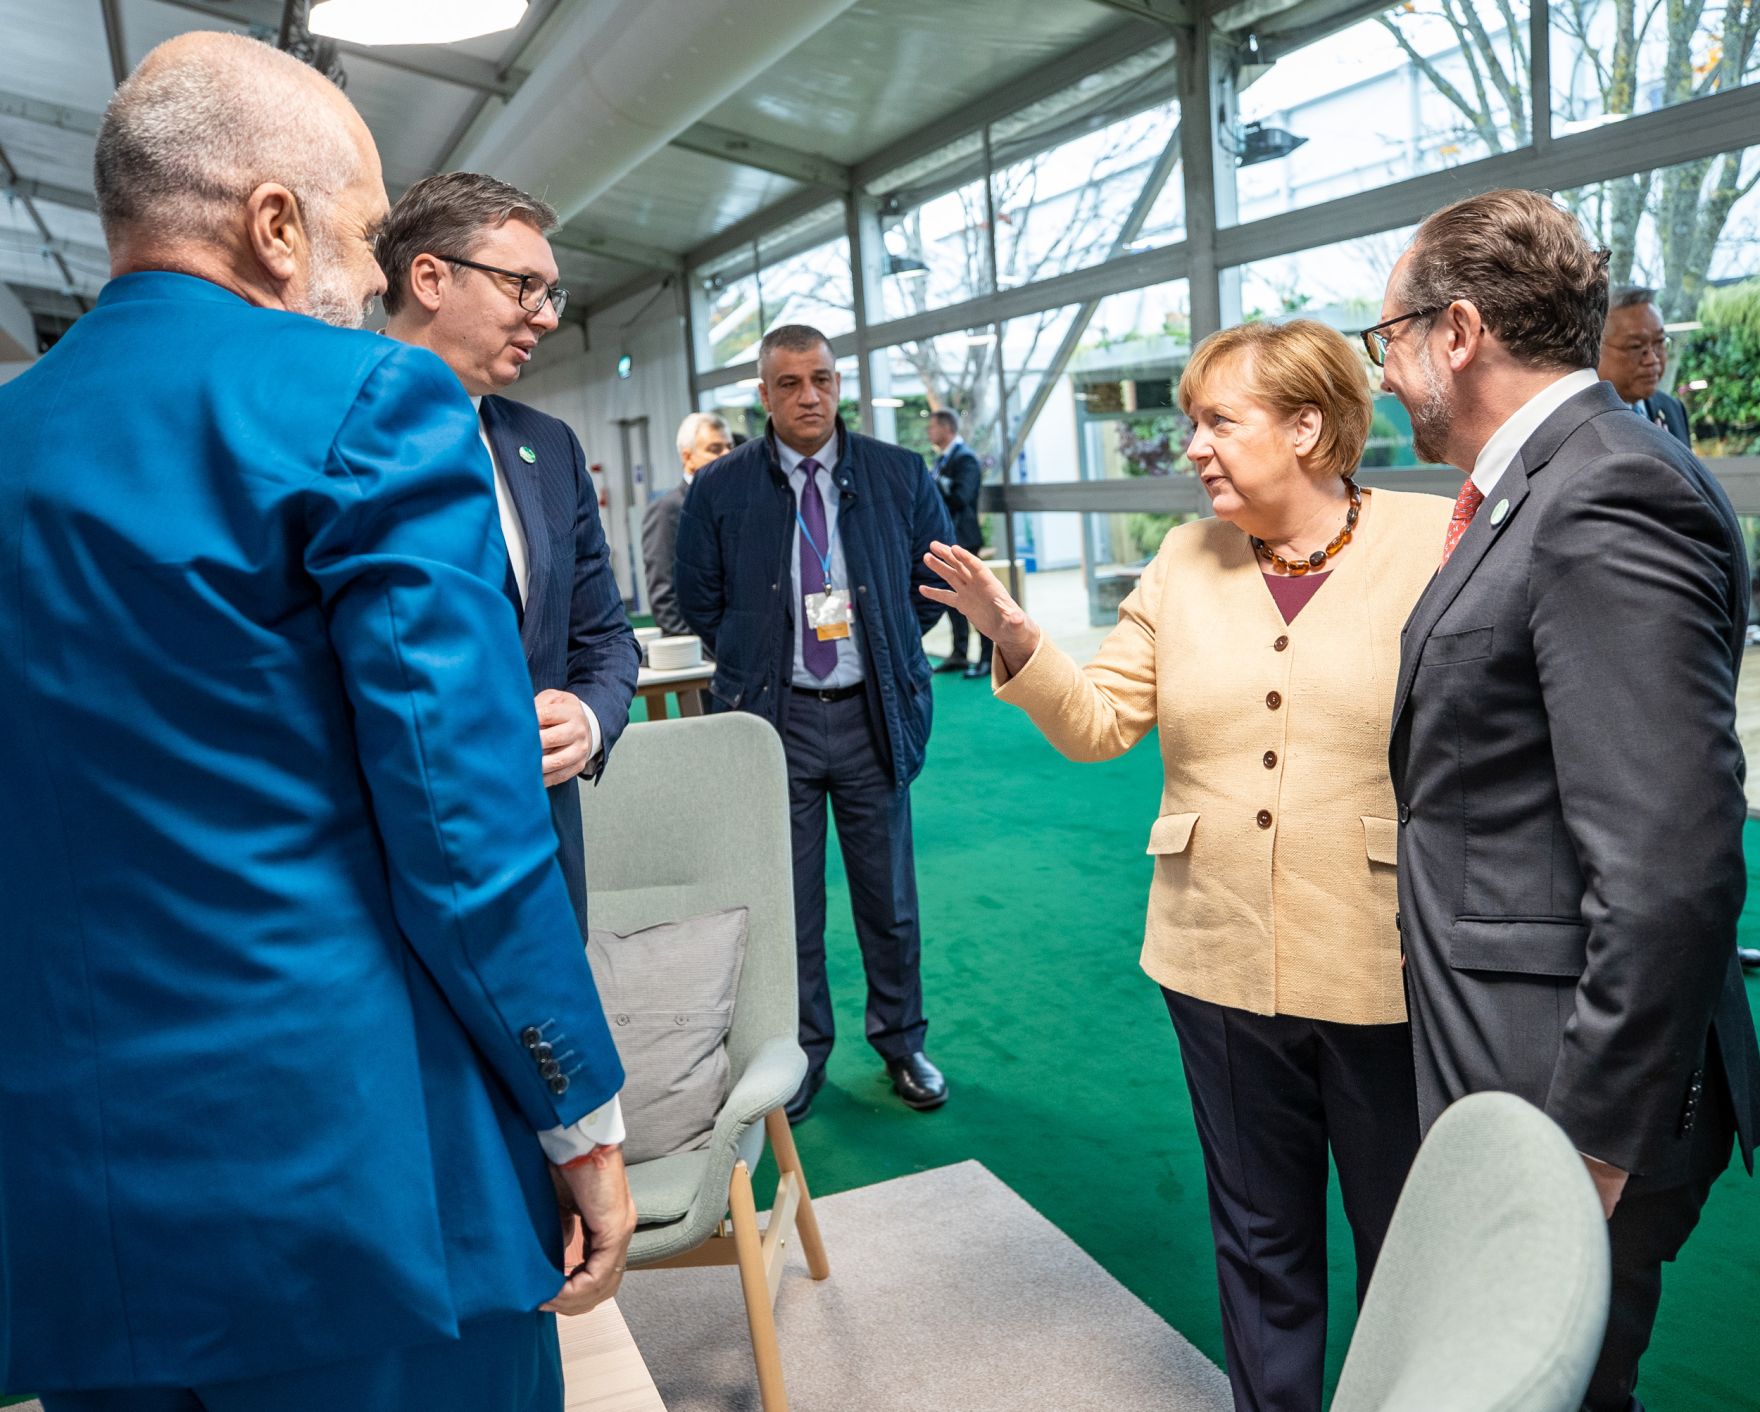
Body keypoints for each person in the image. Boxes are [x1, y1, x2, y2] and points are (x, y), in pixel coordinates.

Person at [0, 33, 634, 1411]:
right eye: (359, 230)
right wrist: (577, 1109)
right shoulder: (366, 403)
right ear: (274, 225)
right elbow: (460, 819)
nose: (367, 274)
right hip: (354, 1182)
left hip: (74, 1204)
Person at [923, 319, 1452, 1412]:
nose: (1192, 447)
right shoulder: (1182, 556)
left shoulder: (1433, 537)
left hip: (1382, 958)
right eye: (1189, 423)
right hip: (1212, 956)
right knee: (1259, 1241)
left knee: (1405, 1245)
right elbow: (1100, 721)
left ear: (1307, 425)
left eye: (1218, 420)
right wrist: (1016, 637)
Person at [1370, 187, 1760, 1412]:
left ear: (1457, 330)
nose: (1379, 373)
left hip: (1572, 1102)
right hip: (1514, 1071)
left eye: (1381, 337)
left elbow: (1669, 866)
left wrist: (1580, 1149)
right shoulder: (1540, 481)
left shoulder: (1603, 491)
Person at [675, 324, 955, 1123]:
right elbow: (699, 601)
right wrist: (759, 657)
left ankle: (903, 1044)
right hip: (776, 723)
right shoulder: (721, 489)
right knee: (789, 904)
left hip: (872, 715)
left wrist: (889, 650)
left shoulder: (901, 477)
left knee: (890, 898)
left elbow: (932, 590)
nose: (810, 397)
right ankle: (801, 1057)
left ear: (841, 386)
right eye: (791, 383)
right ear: (763, 396)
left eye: (823, 380)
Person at [378, 171, 640, 941]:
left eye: (551, 294)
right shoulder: (323, 439)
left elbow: (606, 638)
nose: (547, 317)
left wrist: (589, 718)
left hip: (539, 856)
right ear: (429, 277)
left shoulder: (549, 449)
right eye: (524, 285)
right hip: (389, 871)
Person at [645, 411, 732, 639]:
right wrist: (705, 650)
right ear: (688, 457)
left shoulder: (735, 505)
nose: (726, 455)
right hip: (700, 656)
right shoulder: (668, 509)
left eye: (729, 447)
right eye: (714, 449)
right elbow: (664, 597)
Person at [926, 408, 991, 678]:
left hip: (963, 539)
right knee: (954, 602)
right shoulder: (944, 458)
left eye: (932, 427)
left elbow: (961, 498)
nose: (929, 432)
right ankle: (959, 653)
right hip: (949, 539)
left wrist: (937, 484)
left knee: (975, 600)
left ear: (947, 428)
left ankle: (988, 658)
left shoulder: (965, 459)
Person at [1597, 286, 1690, 445]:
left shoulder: (1673, 409)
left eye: (1659, 342)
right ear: (1596, 348)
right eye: (1635, 346)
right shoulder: (1583, 420)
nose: (1652, 359)